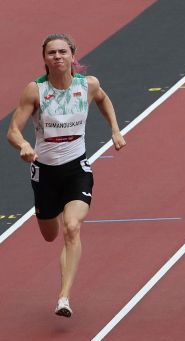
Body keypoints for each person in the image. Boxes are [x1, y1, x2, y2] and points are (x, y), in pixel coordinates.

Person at [6, 33, 126, 317]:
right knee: (50, 234)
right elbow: (12, 130)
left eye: (62, 52)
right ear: (45, 59)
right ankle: (55, 210)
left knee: (72, 227)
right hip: (44, 172)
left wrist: (115, 129)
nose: (57, 57)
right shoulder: (35, 91)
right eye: (52, 53)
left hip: (76, 169)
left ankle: (64, 297)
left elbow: (103, 99)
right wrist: (23, 145)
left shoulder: (88, 85)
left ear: (73, 56)